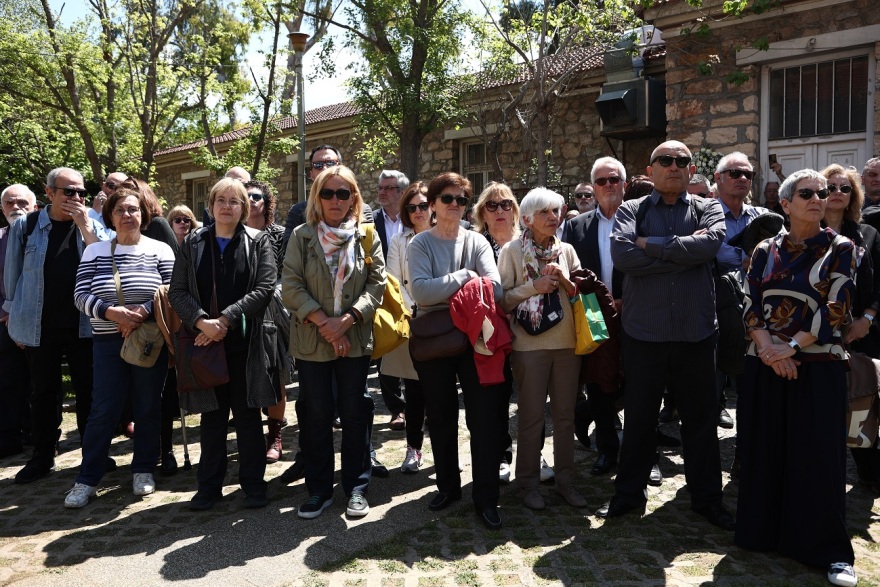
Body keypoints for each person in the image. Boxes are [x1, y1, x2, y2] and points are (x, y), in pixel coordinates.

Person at [601, 141, 735, 531]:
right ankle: (628, 495)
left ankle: (707, 499)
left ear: (692, 170)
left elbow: (711, 246)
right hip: (644, 334)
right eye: (666, 160)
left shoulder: (708, 207)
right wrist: (683, 256)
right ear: (651, 168)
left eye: (682, 161)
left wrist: (652, 247)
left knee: (700, 420)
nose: (674, 166)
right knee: (640, 419)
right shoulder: (631, 209)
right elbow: (624, 256)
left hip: (695, 333)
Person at [736, 169, 857, 587]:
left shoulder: (841, 248)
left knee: (819, 459)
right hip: (764, 363)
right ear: (784, 204)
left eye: (822, 193)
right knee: (764, 449)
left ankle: (829, 551)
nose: (818, 198)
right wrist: (769, 350)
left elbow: (838, 305)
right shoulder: (764, 250)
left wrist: (790, 347)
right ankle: (763, 534)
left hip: (818, 364)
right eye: (806, 193)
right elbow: (749, 302)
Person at [407, 172, 509, 530]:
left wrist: (452, 287)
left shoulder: (477, 241)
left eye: (461, 200)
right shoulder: (419, 245)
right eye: (447, 199)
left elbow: (495, 288)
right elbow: (420, 293)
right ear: (432, 204)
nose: (455, 205)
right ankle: (448, 487)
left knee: (483, 418)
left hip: (475, 340)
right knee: (440, 416)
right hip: (435, 342)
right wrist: (466, 278)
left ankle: (486, 498)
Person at [169, 177, 278, 511]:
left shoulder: (258, 241)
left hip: (245, 345)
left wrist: (225, 321)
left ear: (244, 207)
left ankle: (254, 487)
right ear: (211, 205)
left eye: (234, 200)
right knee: (212, 418)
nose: (227, 206)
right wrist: (203, 322)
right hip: (205, 344)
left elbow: (265, 287)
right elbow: (177, 292)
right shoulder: (193, 243)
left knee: (247, 417)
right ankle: (209, 488)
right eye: (221, 200)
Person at [281, 165, 383, 519]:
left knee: (355, 415)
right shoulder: (301, 236)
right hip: (312, 339)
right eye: (328, 193)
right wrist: (324, 322)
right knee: (317, 416)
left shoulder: (367, 236)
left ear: (354, 197)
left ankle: (356, 488)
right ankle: (319, 491)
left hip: (353, 337)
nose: (336, 200)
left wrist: (346, 321)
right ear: (317, 198)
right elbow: (290, 285)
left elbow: (377, 286)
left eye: (343, 193)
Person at [63, 188, 176, 507]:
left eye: (134, 209)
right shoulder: (94, 251)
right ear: (109, 216)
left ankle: (143, 470)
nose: (128, 215)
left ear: (144, 214)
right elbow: (80, 296)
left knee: (148, 406)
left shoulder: (161, 250)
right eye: (121, 210)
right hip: (107, 340)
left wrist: (140, 314)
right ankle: (86, 479)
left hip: (148, 341)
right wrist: (112, 313)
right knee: (104, 409)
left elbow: (173, 295)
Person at [4, 167, 107, 484]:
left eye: (80, 192)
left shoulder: (90, 221)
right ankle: (42, 457)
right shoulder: (28, 225)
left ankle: (94, 455)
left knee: (90, 391)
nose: (76, 198)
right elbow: (13, 275)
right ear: (49, 193)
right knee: (43, 392)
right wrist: (15, 321)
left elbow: (103, 259)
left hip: (83, 324)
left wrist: (84, 223)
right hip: (40, 325)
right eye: (68, 192)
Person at [498, 188, 585, 511]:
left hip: (567, 344)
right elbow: (502, 299)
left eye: (557, 210)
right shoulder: (511, 251)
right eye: (545, 212)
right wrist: (532, 287)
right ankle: (528, 485)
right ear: (527, 219)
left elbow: (580, 296)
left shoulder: (568, 250)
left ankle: (565, 481)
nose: (554, 217)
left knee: (565, 417)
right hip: (528, 345)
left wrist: (564, 279)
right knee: (531, 418)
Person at [563, 156, 627, 478]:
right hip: (593, 312)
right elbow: (572, 274)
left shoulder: (638, 218)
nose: (608, 186)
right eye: (601, 181)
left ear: (624, 185)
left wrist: (624, 298)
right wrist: (599, 304)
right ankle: (607, 450)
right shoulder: (576, 227)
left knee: (640, 381)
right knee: (600, 383)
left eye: (613, 180)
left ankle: (642, 453)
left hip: (635, 308)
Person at [821, 163, 880, 497]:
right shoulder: (804, 232)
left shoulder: (868, 235)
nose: (837, 193)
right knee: (823, 408)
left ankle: (869, 473)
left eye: (845, 188)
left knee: (862, 404)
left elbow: (879, 286)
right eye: (831, 187)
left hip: (861, 332)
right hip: (815, 336)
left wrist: (866, 320)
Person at [471, 182, 527, 483]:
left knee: (530, 397)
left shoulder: (528, 242)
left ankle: (534, 453)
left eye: (506, 204)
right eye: (492, 206)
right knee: (497, 397)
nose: (500, 210)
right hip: (490, 335)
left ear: (515, 211)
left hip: (529, 330)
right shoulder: (476, 244)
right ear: (483, 213)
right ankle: (502, 455)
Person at [712, 151, 767, 429]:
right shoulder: (704, 215)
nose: (743, 179)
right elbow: (710, 253)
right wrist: (745, 258)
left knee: (753, 380)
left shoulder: (763, 217)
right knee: (715, 371)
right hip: (715, 303)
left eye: (748, 174)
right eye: (735, 173)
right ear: (718, 179)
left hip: (757, 305)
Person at [382, 181, 431, 473]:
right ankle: (413, 449)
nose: (417, 212)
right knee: (414, 392)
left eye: (423, 205)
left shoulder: (449, 235)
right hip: (412, 321)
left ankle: (444, 445)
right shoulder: (401, 241)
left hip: (444, 323)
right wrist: (414, 310)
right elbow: (392, 280)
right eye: (411, 207)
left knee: (442, 392)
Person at [243, 179, 288, 463]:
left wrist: (266, 296)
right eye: (244, 196)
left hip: (273, 312)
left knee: (274, 374)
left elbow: (288, 274)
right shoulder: (231, 235)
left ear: (267, 202)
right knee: (243, 375)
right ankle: (249, 436)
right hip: (238, 315)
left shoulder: (279, 235)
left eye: (256, 196)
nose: (250, 201)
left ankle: (275, 435)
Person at [0, 185, 36, 458]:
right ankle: (10, 437)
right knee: (8, 381)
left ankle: (42, 435)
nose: (16, 207)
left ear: (34, 207)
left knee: (42, 382)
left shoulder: (42, 237)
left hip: (37, 322)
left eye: (23, 202)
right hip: (2, 323)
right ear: (2, 208)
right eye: (10, 203)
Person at [375, 170, 410, 432]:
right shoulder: (369, 221)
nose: (382, 192)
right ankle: (396, 408)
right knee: (386, 351)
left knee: (415, 350)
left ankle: (418, 404)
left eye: (389, 188)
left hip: (413, 292)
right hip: (382, 295)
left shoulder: (415, 217)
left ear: (402, 192)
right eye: (380, 187)